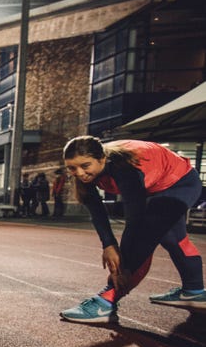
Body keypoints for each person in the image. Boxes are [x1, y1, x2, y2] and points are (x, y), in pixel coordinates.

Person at [59, 136, 205, 322]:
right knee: (171, 237)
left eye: (85, 166)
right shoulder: (85, 174)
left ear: (102, 159)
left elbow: (135, 221)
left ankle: (106, 302)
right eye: (72, 168)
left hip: (181, 183)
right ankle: (194, 290)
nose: (79, 173)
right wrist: (109, 244)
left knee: (146, 235)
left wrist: (124, 267)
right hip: (155, 187)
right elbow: (97, 213)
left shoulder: (123, 168)